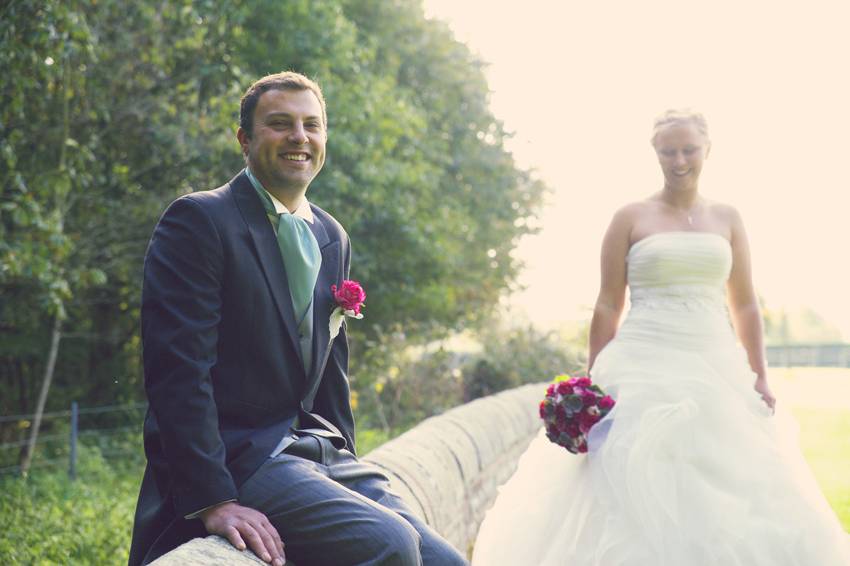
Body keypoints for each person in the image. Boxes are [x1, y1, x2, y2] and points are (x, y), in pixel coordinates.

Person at [471, 109, 850, 565]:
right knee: (627, 473)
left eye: (689, 149)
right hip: (641, 359)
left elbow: (745, 304)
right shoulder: (629, 217)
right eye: (668, 151)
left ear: (707, 148)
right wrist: (593, 379)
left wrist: (761, 376)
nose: (679, 160)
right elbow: (608, 303)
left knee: (728, 475)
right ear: (655, 153)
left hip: (715, 362)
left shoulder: (728, 218)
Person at [128, 71, 468, 566]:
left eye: (312, 124)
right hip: (241, 456)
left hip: (318, 453)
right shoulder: (200, 221)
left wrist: (344, 458)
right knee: (389, 544)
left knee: (445, 560)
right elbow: (178, 372)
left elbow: (332, 373)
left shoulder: (332, 234)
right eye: (280, 123)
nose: (299, 137)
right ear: (244, 139)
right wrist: (213, 501)